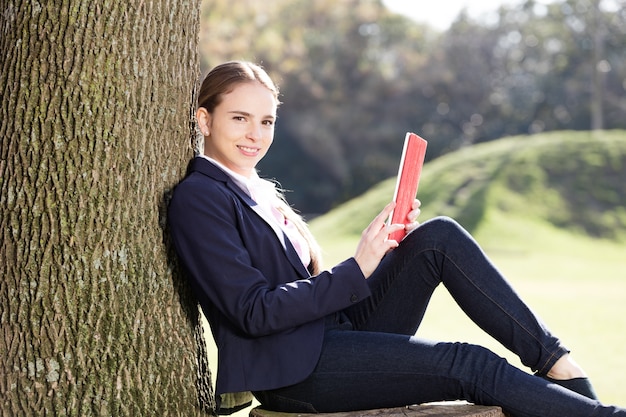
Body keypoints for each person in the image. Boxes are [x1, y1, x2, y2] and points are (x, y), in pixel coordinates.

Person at [168, 61, 626, 417]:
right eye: (240, 118)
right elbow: (254, 311)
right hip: (295, 372)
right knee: (470, 363)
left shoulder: (258, 190)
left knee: (437, 237)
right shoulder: (200, 197)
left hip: (332, 335)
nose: (256, 134)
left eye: (266, 121)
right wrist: (358, 266)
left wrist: (381, 246)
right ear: (204, 120)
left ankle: (556, 360)